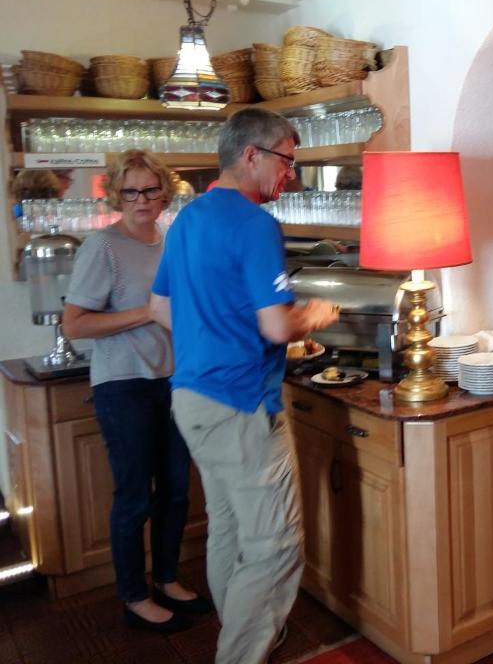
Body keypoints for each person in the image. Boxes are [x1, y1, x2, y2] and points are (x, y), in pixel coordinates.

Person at [149, 108, 337, 664]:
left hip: (192, 399)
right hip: (240, 403)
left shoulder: (186, 219)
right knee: (276, 547)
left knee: (230, 528)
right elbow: (277, 326)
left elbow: (160, 308)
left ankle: (242, 636)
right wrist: (313, 315)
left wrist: (215, 332)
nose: (290, 174)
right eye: (286, 161)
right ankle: (239, 654)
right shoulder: (255, 224)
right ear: (252, 155)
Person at [63, 150, 211, 634]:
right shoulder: (102, 247)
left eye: (150, 189)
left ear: (164, 193)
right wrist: (146, 312)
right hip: (123, 384)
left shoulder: (170, 242)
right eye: (131, 191)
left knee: (174, 491)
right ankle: (134, 595)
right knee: (134, 496)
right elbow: (75, 325)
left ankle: (166, 579)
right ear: (116, 195)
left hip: (174, 379)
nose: (142, 199)